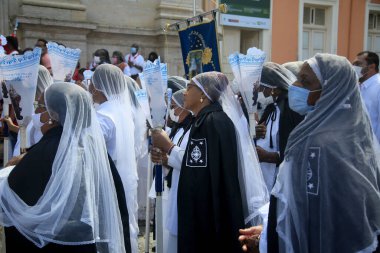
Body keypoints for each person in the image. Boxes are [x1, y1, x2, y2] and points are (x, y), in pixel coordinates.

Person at [240, 54, 380, 253]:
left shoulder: (318, 143)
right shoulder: (350, 134)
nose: (295, 85)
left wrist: (266, 240)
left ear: (330, 90)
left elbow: (309, 212)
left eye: (305, 81)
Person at [0, 83, 130, 253]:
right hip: (89, 239)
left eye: (39, 107)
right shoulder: (93, 147)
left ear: (52, 114)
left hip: (60, 242)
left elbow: (16, 193)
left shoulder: (47, 149)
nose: (36, 113)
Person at [152, 72, 267, 253]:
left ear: (203, 94)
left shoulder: (211, 122)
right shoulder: (206, 120)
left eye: (190, 87)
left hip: (208, 213)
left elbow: (199, 173)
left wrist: (169, 147)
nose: (184, 92)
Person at [90, 64, 139, 253]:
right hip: (126, 176)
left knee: (110, 228)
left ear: (97, 86)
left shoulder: (103, 115)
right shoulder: (123, 111)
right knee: (126, 225)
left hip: (109, 180)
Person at [151, 89, 193, 253]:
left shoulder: (191, 129)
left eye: (174, 107)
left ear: (184, 108)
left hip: (182, 188)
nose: (172, 111)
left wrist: (167, 153)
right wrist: (161, 158)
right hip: (172, 185)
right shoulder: (179, 129)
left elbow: (188, 159)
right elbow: (172, 157)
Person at [256, 62, 304, 191]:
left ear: (274, 88)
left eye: (262, 87)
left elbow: (299, 147)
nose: (260, 91)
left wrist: (271, 156)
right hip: (266, 174)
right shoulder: (272, 107)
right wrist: (257, 134)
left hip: (283, 177)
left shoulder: (291, 108)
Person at [12, 65, 53, 157]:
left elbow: (38, 136)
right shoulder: (29, 104)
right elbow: (27, 132)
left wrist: (21, 158)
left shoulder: (46, 108)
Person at [352, 51, 380, 143]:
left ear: (372, 67)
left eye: (358, 64)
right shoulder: (359, 86)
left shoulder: (378, 86)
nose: (354, 67)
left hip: (374, 147)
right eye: (353, 64)